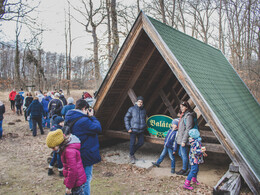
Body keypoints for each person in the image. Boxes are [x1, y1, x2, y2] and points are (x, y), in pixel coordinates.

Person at [65, 99, 102, 195]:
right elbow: (98, 128)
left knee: (79, 177)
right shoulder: (84, 121)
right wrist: (92, 117)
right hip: (86, 152)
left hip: (76, 151)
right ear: (84, 108)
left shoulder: (70, 117)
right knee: (86, 179)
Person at [46, 129, 86, 195]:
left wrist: (69, 186)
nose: (53, 150)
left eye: (53, 148)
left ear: (58, 143)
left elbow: (72, 170)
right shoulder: (64, 149)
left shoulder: (68, 152)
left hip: (76, 182)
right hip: (74, 181)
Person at [176, 101, 197, 176]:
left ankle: (185, 169)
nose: (181, 108)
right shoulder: (184, 115)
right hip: (182, 138)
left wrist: (184, 141)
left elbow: (188, 129)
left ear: (187, 107)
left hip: (185, 139)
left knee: (184, 154)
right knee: (181, 154)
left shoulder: (188, 116)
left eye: (182, 107)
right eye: (180, 107)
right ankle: (188, 168)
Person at [124, 96, 147, 164]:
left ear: (142, 103)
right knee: (132, 143)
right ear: (136, 102)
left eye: (141, 102)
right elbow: (126, 118)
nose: (140, 103)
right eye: (139, 101)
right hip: (133, 129)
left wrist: (144, 126)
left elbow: (144, 119)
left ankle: (131, 152)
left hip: (141, 130)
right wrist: (128, 128)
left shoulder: (144, 110)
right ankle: (132, 156)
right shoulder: (132, 109)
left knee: (141, 142)